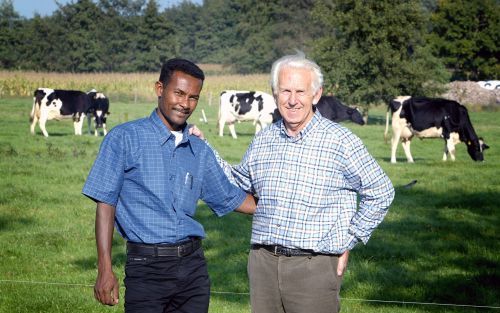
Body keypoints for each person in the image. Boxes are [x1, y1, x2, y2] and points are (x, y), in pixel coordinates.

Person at [210, 52, 395, 313]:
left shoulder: (340, 141)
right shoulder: (264, 139)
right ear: (275, 94)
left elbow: (381, 191)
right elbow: (238, 182)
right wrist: (203, 148)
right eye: (285, 91)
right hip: (263, 264)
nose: (293, 100)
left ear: (316, 95)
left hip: (314, 267)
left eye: (301, 91)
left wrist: (349, 238)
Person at [82, 58, 257, 313]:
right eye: (179, 93)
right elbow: (105, 204)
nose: (185, 104)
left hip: (194, 268)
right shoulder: (124, 138)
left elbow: (234, 199)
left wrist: (283, 204)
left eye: (193, 97)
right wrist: (105, 269)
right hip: (146, 267)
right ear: (159, 89)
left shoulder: (199, 149)